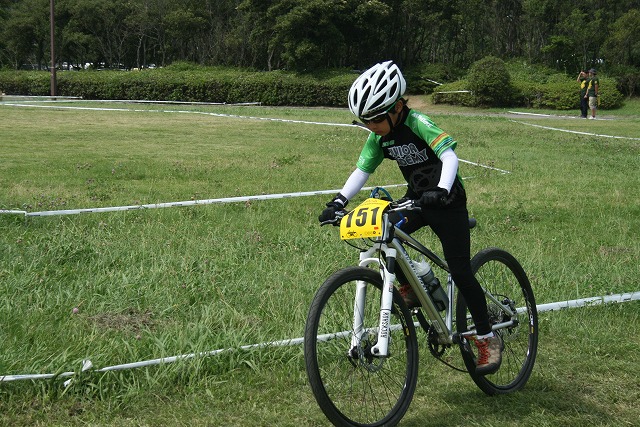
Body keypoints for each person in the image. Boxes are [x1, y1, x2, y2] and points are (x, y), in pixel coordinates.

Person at [318, 60, 502, 375]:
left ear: (397, 107)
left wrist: (442, 189)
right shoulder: (379, 137)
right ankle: (415, 287)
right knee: (384, 231)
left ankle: (487, 337)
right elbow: (362, 170)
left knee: (460, 271)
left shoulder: (418, 122)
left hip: (448, 202)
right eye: (365, 121)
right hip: (417, 200)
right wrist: (339, 201)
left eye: (376, 119)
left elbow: (449, 156)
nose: (371, 126)